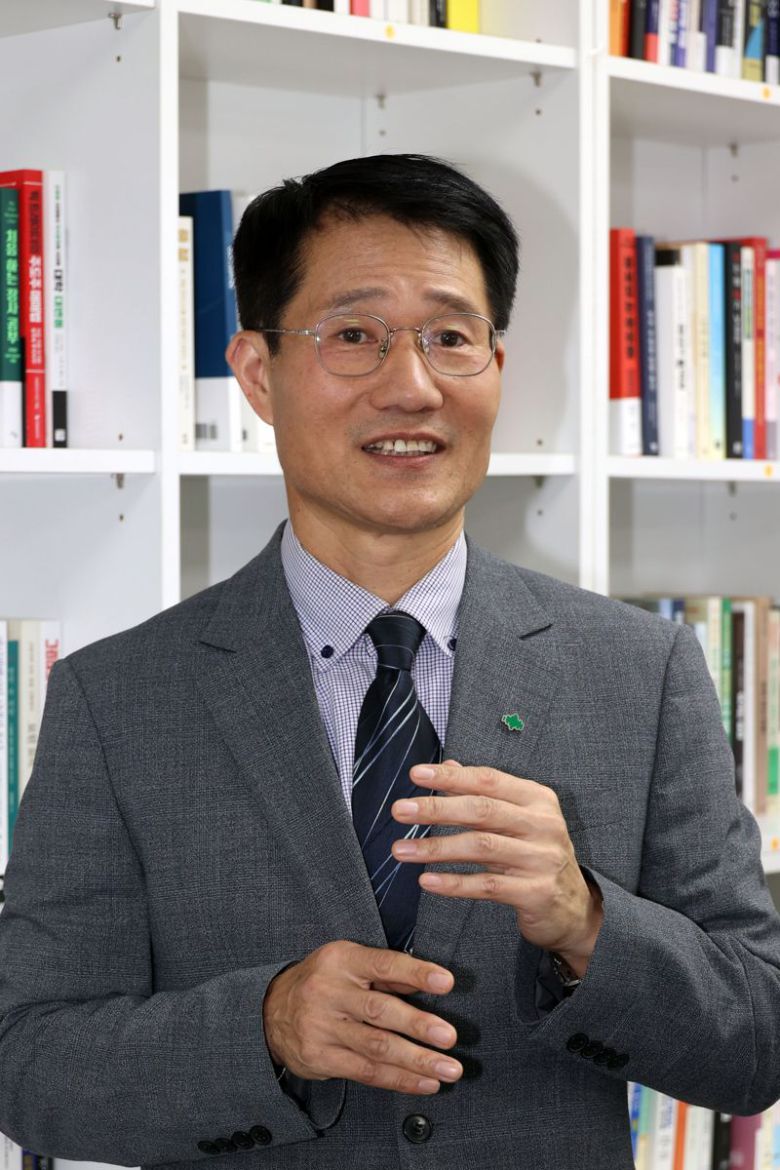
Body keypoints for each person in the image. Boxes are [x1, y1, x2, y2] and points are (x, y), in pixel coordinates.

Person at [1, 153, 779, 1170]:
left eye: (451, 338)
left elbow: (758, 1039)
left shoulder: (640, 670)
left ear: (497, 367)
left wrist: (587, 922)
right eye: (354, 336)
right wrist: (266, 1030)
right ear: (257, 374)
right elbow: (29, 1062)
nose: (411, 387)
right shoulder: (119, 699)